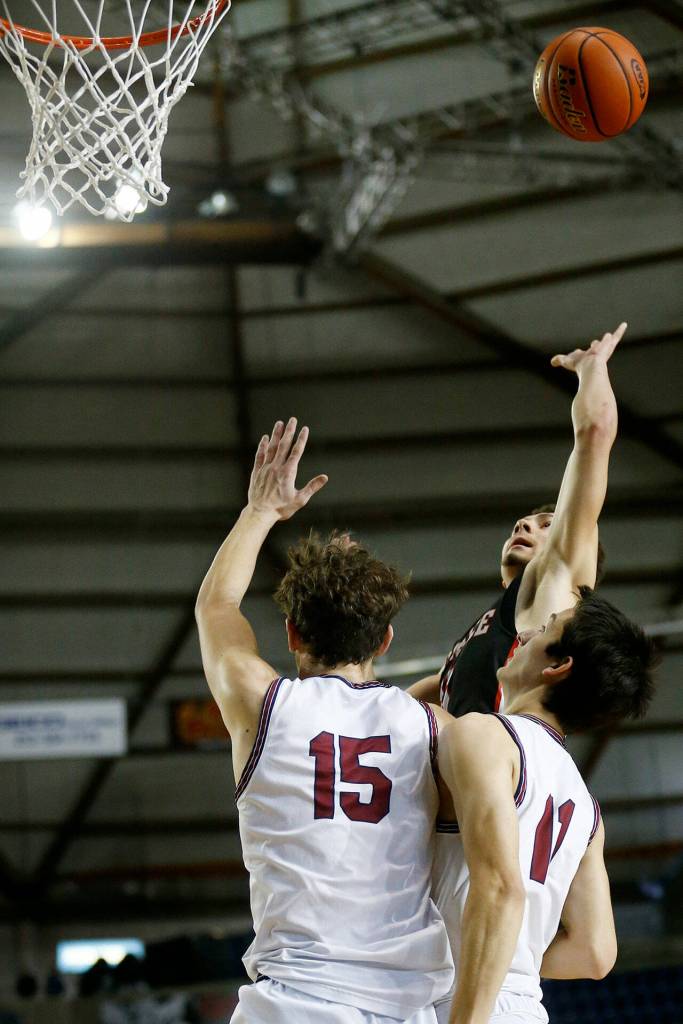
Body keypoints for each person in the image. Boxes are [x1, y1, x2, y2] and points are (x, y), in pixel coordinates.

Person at [195, 418, 454, 1024]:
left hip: (296, 1001)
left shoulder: (265, 704)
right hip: (405, 1006)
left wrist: (261, 510)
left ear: (289, 633)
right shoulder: (432, 726)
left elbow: (217, 605)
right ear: (386, 639)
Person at [432, 588, 657, 1024]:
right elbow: (595, 952)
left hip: (461, 1003)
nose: (529, 631)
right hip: (521, 1006)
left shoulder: (484, 735)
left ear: (557, 667)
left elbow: (500, 888)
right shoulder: (586, 806)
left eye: (546, 627)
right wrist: (517, 956)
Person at [409, 323, 626, 717]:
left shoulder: (558, 579)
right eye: (522, 522)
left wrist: (593, 368)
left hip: (513, 768)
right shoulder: (483, 634)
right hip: (477, 767)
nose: (524, 526)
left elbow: (594, 433)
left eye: (546, 524)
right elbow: (425, 694)